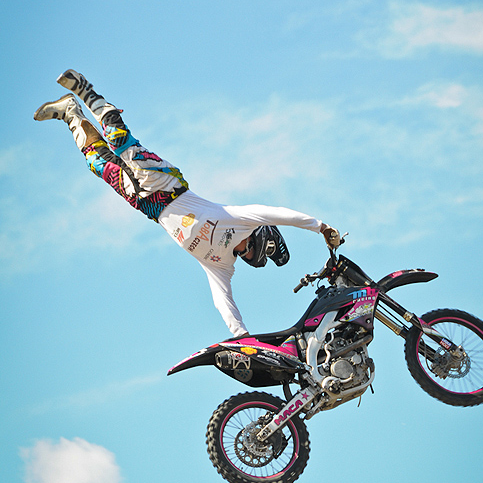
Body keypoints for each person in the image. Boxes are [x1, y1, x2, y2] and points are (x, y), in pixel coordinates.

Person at [34, 70, 341, 337]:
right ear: (258, 236)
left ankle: (70, 113)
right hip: (165, 185)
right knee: (119, 142)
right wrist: (321, 227)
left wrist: (241, 336)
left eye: (247, 256)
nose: (243, 252)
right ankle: (86, 89)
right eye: (250, 249)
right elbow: (280, 214)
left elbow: (223, 300)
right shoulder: (242, 219)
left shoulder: (221, 265)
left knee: (98, 163)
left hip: (148, 206)